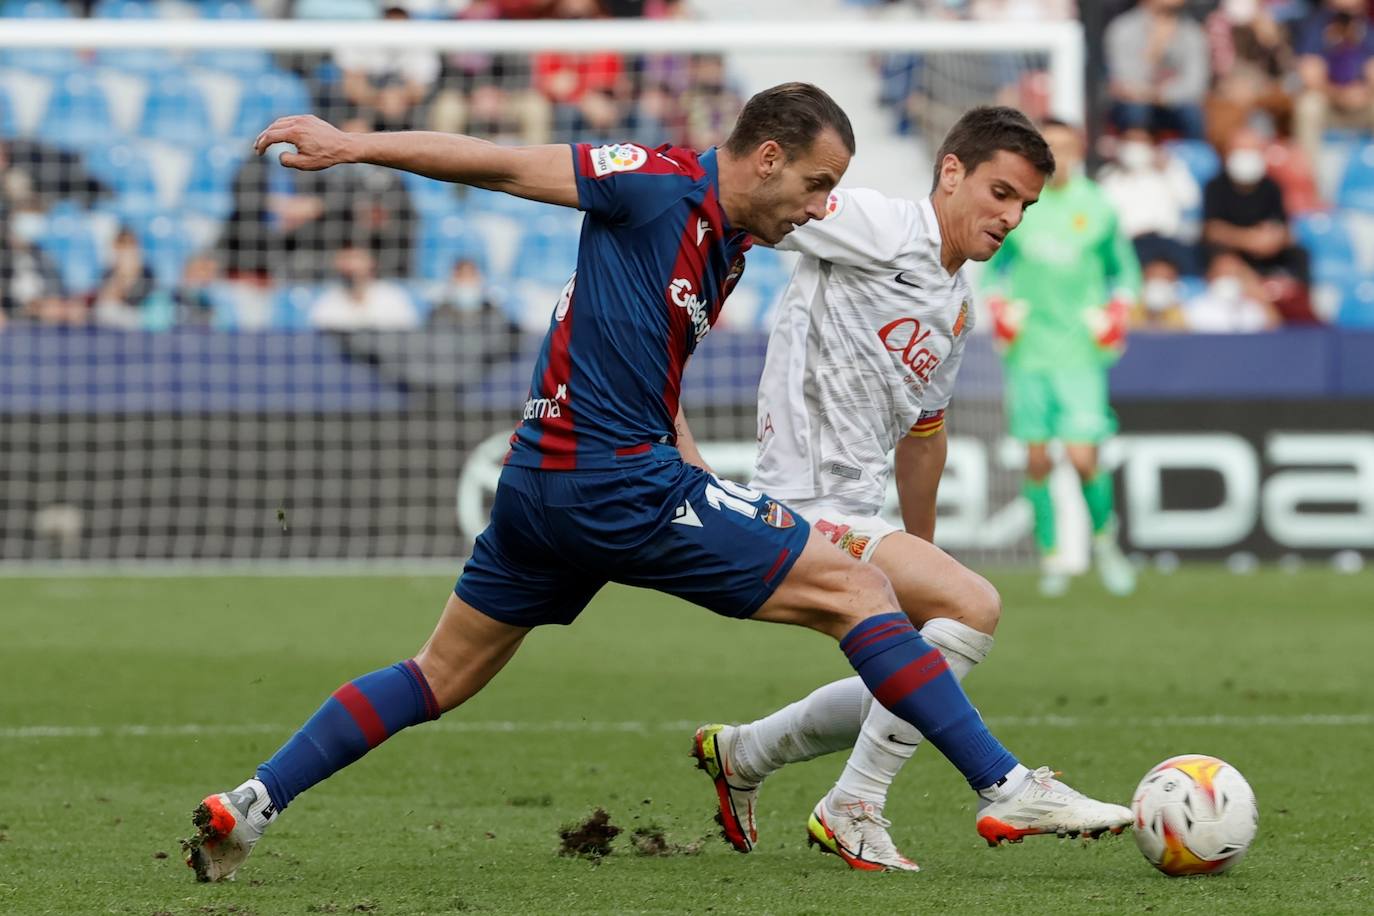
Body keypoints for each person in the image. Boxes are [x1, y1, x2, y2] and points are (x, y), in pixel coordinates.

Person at [182, 83, 1125, 885]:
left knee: (437, 675)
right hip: (615, 483)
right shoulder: (651, 183)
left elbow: (617, 333)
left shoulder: (729, 246)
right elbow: (501, 163)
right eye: (814, 186)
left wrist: (684, 451)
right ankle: (1003, 787)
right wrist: (354, 145)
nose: (818, 208)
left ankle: (253, 801)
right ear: (764, 158)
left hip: (541, 487)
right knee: (858, 590)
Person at [689, 107, 1133, 873]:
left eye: (1025, 205)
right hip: (798, 505)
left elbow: (925, 435)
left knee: (922, 672)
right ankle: (856, 806)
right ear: (951, 172)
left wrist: (921, 552)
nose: (1011, 217)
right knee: (976, 606)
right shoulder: (874, 223)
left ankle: (745, 752)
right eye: (1000, 193)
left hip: (855, 512)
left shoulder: (955, 304)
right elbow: (747, 204)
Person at [982, 120, 1141, 599]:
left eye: (1069, 148)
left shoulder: (1097, 207)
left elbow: (1125, 274)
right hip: (1029, 351)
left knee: (1081, 456)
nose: (1062, 158)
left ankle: (1105, 543)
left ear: (1081, 150)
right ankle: (1052, 556)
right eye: (1053, 150)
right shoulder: (1020, 206)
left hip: (1079, 352)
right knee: (1036, 461)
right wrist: (1000, 308)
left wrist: (1117, 312)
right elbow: (992, 270)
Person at [1203, 126, 1317, 324]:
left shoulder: (1272, 186)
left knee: (1300, 253)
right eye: (1240, 150)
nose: (1246, 157)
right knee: (1224, 260)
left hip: (1269, 254)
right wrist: (1248, 240)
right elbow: (1212, 230)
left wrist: (1273, 239)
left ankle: (1303, 306)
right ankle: (1269, 308)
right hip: (1234, 253)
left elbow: (1285, 229)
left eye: (1251, 150)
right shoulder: (1215, 186)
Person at [1105, 0, 1210, 139]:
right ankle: (1136, 154)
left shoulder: (1192, 32)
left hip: (1173, 104)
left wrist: (1160, 95)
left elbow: (1195, 86)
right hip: (1133, 107)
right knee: (1136, 110)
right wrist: (1154, 51)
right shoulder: (1123, 28)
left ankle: (1191, 156)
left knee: (1191, 113)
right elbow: (1125, 82)